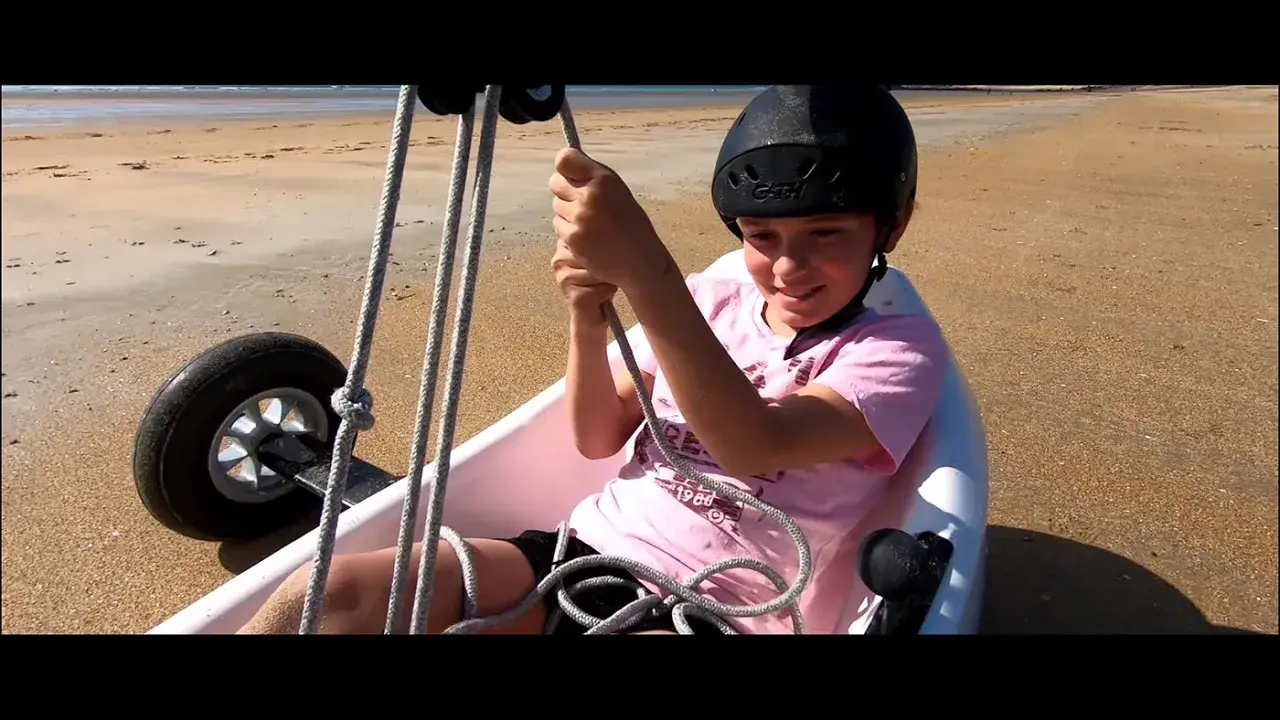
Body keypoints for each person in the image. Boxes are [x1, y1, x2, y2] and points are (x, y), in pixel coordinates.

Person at [237, 85, 949, 635]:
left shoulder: (897, 353)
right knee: (322, 598)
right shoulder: (713, 299)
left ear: (893, 225)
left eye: (825, 233)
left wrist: (646, 270)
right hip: (580, 555)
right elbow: (597, 434)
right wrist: (585, 312)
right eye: (761, 235)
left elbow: (754, 444)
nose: (788, 266)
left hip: (717, 610)